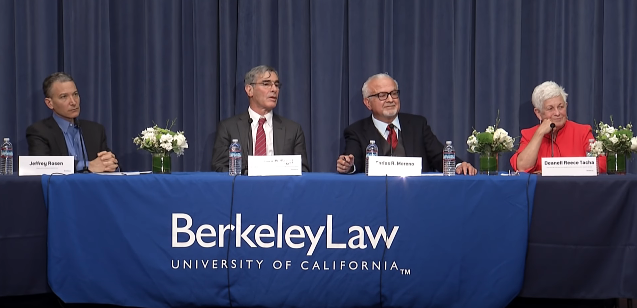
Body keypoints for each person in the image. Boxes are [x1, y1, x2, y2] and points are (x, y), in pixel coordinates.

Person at [336, 73, 476, 175]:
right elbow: (352, 161)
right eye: (382, 95)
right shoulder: (356, 131)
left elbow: (439, 156)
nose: (390, 99)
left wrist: (458, 165)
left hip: (418, 197)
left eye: (394, 93)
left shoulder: (417, 125)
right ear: (367, 103)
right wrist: (348, 166)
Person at [211, 65, 310, 172]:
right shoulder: (229, 128)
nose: (274, 89)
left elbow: (302, 170)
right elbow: (220, 167)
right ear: (249, 90)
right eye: (266, 84)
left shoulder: (293, 130)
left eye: (276, 85)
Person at [26, 72, 119, 173]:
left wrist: (111, 165)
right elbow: (41, 166)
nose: (73, 102)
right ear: (50, 103)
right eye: (64, 97)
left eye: (75, 94)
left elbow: (112, 166)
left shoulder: (95, 130)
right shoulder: (39, 131)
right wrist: (87, 165)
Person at [510, 81, 606, 173]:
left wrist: (555, 171)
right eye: (550, 108)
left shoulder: (582, 132)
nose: (557, 113)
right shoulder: (529, 134)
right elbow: (522, 167)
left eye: (561, 107)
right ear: (538, 113)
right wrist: (539, 134)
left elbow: (601, 164)